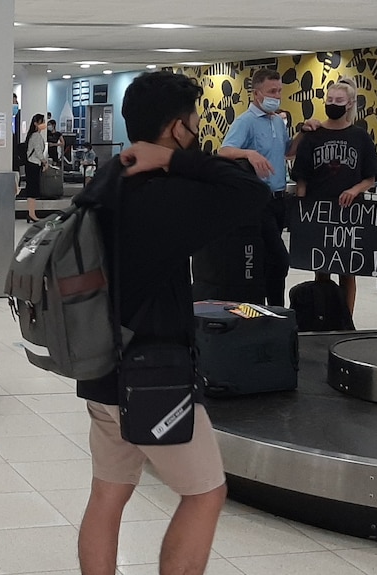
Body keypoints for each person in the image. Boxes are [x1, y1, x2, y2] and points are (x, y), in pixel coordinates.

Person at [76, 71, 269, 575]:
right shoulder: (164, 195)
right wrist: (178, 161)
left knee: (108, 495)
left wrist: (172, 159)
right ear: (176, 128)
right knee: (206, 492)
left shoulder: (108, 176)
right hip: (154, 371)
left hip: (100, 363)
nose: (199, 130)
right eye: (195, 123)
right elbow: (254, 193)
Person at [217, 69, 307, 306]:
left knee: (271, 261)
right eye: (271, 91)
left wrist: (302, 134)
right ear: (257, 93)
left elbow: (287, 151)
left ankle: (275, 308)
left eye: (279, 91)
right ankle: (269, 305)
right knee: (279, 258)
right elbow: (224, 151)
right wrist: (249, 153)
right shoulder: (245, 122)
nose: (277, 96)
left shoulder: (278, 120)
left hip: (279, 200)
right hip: (259, 201)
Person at [291, 79, 377, 314]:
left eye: (338, 100)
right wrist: (301, 210)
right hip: (319, 209)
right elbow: (301, 177)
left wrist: (354, 189)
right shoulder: (314, 135)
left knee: (348, 270)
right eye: (329, 100)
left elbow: (371, 177)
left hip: (350, 211)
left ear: (350, 103)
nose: (333, 104)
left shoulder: (360, 137)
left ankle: (346, 321)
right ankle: (323, 315)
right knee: (321, 268)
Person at [22, 113, 48, 222]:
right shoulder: (36, 136)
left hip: (30, 164)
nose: (43, 124)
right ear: (36, 124)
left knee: (31, 189)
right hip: (33, 164)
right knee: (33, 190)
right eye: (41, 122)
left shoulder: (32, 135)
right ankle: (32, 214)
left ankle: (31, 213)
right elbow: (38, 151)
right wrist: (44, 162)